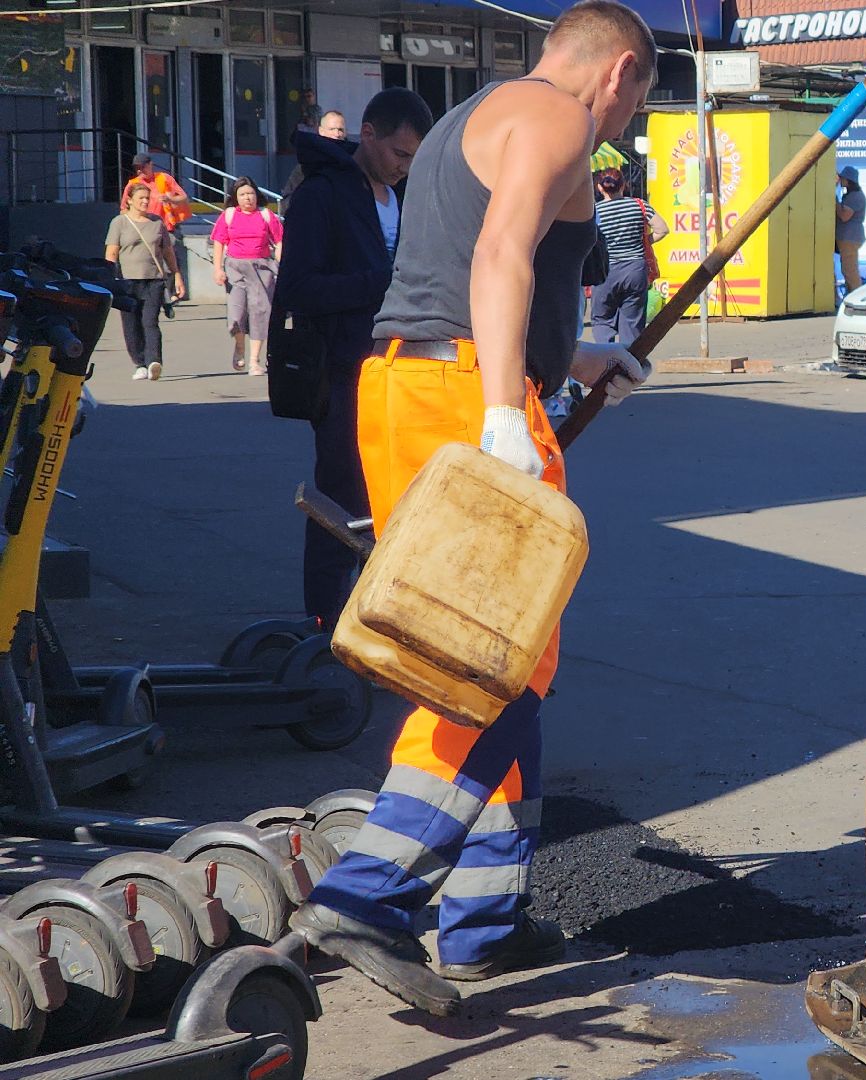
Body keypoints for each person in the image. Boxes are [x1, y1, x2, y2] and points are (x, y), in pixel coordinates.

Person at [288, 0, 654, 1017]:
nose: (624, 123)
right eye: (636, 101)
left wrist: (575, 358)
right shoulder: (559, 115)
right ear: (617, 72)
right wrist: (500, 414)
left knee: (502, 656)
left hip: (410, 381)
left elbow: (459, 274)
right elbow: (499, 256)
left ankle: (484, 918)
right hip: (459, 395)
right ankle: (367, 898)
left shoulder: (481, 111)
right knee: (488, 665)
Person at [278, 88, 433, 634]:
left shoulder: (403, 196)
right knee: (341, 497)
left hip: (401, 368)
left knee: (396, 497)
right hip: (342, 372)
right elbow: (297, 289)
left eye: (412, 157)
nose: (403, 166)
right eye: (399, 152)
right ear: (368, 133)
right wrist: (384, 284)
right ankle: (323, 622)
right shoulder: (321, 194)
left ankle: (378, 617)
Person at [104, 182, 182, 381]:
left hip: (153, 280)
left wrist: (177, 274)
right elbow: (111, 253)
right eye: (141, 198)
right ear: (130, 200)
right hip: (127, 282)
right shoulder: (119, 223)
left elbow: (167, 252)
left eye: (148, 198)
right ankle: (140, 363)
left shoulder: (157, 222)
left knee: (150, 321)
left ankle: (154, 361)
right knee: (131, 325)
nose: (146, 201)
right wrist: (110, 278)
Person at [211, 177, 283, 376]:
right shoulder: (229, 215)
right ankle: (240, 346)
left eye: (250, 193)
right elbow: (219, 242)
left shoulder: (266, 215)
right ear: (236, 197)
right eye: (242, 194)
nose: (247, 198)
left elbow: (279, 241)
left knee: (260, 313)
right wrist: (218, 269)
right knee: (237, 313)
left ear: (256, 195)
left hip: (262, 268)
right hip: (235, 268)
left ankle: (254, 361)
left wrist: (280, 263)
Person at [590, 168, 669, 344]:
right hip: (635, 270)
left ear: (600, 188)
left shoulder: (595, 211)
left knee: (602, 320)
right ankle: (629, 359)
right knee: (632, 322)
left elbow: (587, 240)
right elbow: (662, 229)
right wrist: (645, 241)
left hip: (606, 271)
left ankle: (606, 358)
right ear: (623, 185)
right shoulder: (639, 205)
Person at [282, 109, 349, 209]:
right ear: (321, 131)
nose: (337, 134)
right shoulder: (305, 167)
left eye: (340, 130)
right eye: (332, 129)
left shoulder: (353, 165)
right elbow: (287, 203)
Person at [120, 153, 191, 234]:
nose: (139, 170)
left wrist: (170, 199)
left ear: (150, 164)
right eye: (137, 168)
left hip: (167, 229)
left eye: (142, 167)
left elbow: (184, 198)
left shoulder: (164, 178)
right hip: (143, 230)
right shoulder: (133, 184)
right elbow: (123, 210)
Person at [836, 166, 866, 296]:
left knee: (850, 271)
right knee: (848, 269)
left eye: (842, 178)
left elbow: (844, 216)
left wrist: (834, 200)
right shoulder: (851, 195)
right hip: (848, 237)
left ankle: (858, 296)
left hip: (849, 237)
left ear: (849, 180)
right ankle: (851, 295)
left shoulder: (855, 196)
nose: (840, 180)